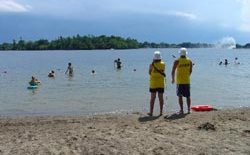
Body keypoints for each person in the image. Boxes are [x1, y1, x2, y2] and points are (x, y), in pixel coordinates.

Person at [171, 48, 193, 114]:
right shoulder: (190, 61)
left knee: (180, 96)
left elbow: (173, 71)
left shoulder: (177, 61)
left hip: (179, 81)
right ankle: (189, 110)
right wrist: (187, 76)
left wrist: (173, 79)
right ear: (186, 53)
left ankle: (181, 110)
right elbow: (191, 71)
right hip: (187, 81)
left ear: (180, 53)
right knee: (188, 96)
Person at [148, 51, 166, 116]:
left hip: (153, 83)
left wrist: (153, 62)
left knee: (152, 98)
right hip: (161, 83)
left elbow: (149, 73)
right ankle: (161, 112)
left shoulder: (151, 65)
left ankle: (151, 112)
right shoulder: (163, 64)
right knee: (161, 98)